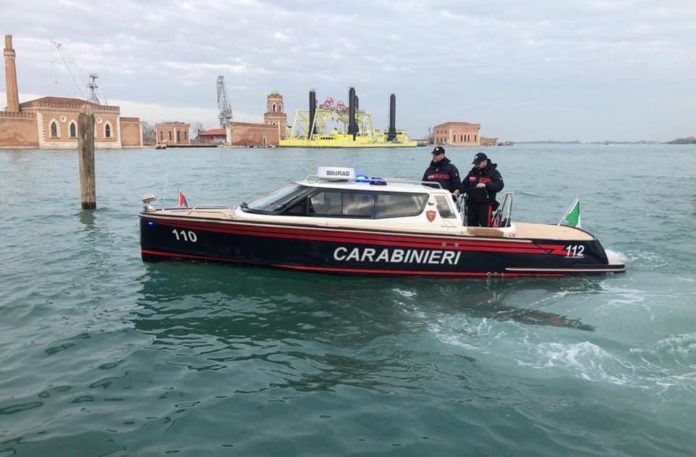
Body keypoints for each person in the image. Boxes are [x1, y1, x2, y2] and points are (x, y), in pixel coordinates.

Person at [456, 152, 504, 227]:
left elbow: (500, 185)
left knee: (485, 227)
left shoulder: (493, 173)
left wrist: (486, 185)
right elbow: (464, 185)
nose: (476, 165)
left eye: (478, 163)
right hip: (471, 205)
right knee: (470, 227)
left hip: (485, 205)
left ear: (485, 162)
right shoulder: (472, 172)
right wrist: (458, 191)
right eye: (475, 163)